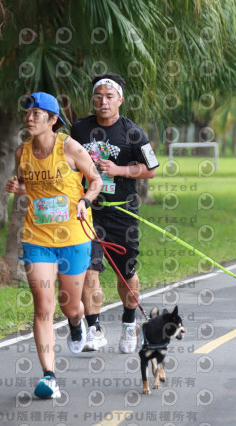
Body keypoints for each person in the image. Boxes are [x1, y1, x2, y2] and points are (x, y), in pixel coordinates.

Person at [6, 92, 103, 399]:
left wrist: (85, 201)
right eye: (28, 113)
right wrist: (18, 188)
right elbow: (32, 187)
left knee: (68, 303)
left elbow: (96, 180)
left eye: (37, 113)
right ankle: (49, 376)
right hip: (37, 237)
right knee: (43, 306)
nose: (30, 117)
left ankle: (77, 321)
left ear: (52, 120)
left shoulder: (70, 147)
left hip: (73, 237)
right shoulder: (21, 152)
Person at [71, 73, 159, 353]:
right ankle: (95, 328)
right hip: (89, 211)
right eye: (98, 96)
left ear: (120, 100)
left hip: (123, 211)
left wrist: (119, 170)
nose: (104, 101)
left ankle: (129, 322)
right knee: (89, 269)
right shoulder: (79, 129)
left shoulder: (133, 131)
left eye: (110, 96)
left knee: (126, 273)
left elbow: (151, 169)